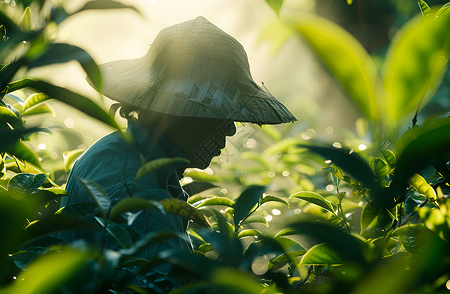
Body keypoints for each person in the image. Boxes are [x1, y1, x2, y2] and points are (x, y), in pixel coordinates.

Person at [59, 16, 296, 288]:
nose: (229, 130)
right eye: (216, 115)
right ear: (177, 113)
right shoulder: (139, 191)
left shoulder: (122, 153)